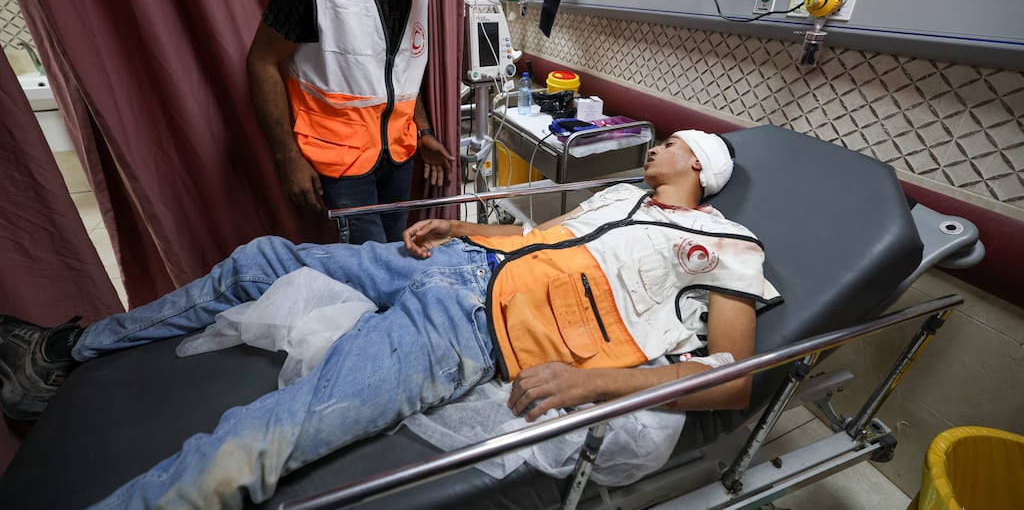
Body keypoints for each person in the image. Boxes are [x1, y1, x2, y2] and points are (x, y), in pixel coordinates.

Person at [0, 130, 780, 508]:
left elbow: (733, 378)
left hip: (472, 331)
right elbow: (533, 238)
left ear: (701, 168)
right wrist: (460, 229)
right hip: (455, 267)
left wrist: (590, 381)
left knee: (261, 432)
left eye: (673, 143)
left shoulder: (724, 242)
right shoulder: (617, 198)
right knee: (262, 256)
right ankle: (75, 347)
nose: (657, 145)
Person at [246, 0, 471, 244]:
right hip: (342, 165)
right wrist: (287, 158)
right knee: (366, 275)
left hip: (398, 158)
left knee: (396, 254)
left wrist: (424, 130)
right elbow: (262, 61)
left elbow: (402, 71)